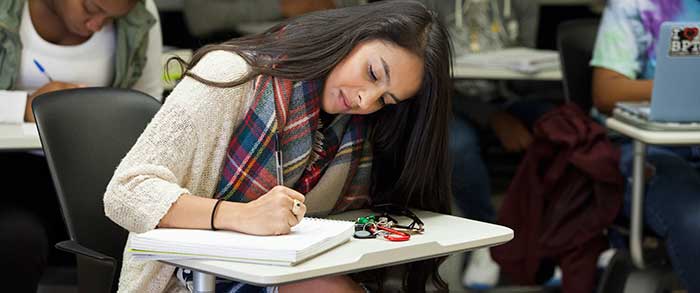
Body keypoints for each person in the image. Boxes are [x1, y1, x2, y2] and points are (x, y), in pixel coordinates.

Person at [103, 1, 453, 292]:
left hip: (281, 276)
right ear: (354, 37)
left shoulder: (356, 130)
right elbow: (126, 192)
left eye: (385, 99)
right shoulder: (233, 74)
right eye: (374, 74)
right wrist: (240, 215)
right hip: (190, 281)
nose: (365, 100)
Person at [0, 0, 162, 291]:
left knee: (137, 242)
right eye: (91, 8)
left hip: (95, 175)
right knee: (15, 241)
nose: (96, 25)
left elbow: (147, 108)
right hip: (11, 169)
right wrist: (25, 106)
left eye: (112, 18)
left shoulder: (140, 15)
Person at [591, 0, 700, 291]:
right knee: (694, 218)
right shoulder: (634, 5)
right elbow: (606, 91)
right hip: (644, 149)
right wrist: (679, 85)